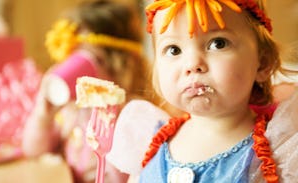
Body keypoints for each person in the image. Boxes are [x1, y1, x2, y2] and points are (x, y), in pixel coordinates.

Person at [107, 0, 298, 182]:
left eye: (218, 43)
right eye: (173, 49)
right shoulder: (148, 140)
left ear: (263, 63)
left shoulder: (280, 154)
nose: (192, 64)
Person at [21, 1, 152, 182]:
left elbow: (130, 175)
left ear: (122, 65)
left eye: (97, 60)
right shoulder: (70, 112)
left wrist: (114, 121)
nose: (82, 72)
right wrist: (42, 115)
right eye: (75, 58)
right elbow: (34, 151)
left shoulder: (134, 113)